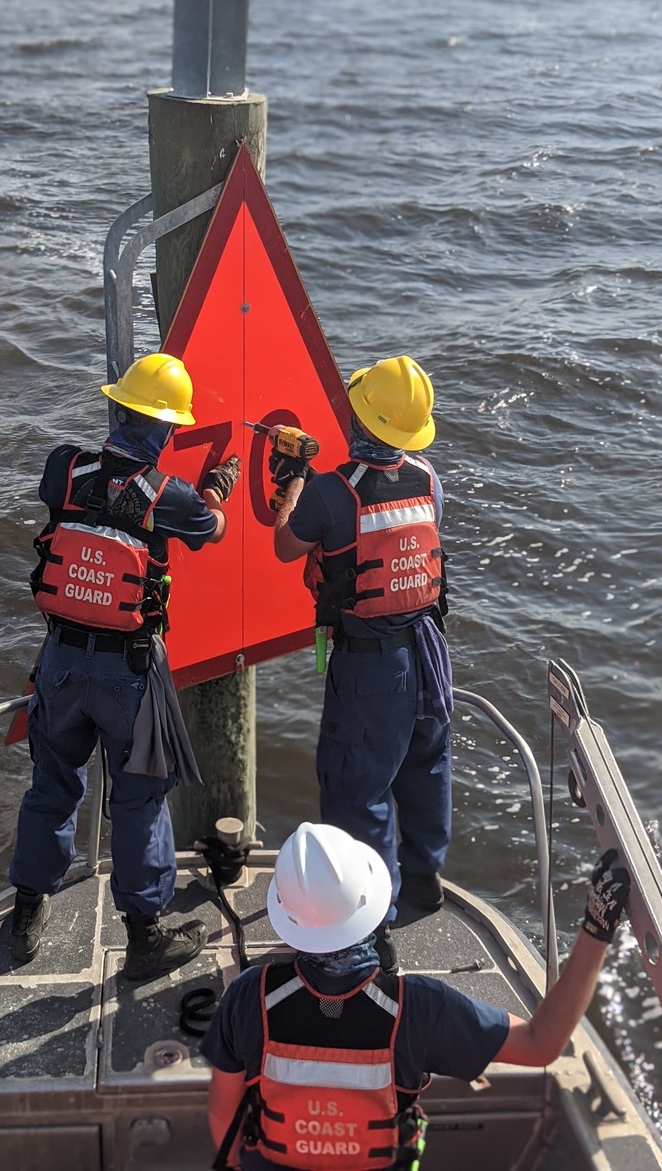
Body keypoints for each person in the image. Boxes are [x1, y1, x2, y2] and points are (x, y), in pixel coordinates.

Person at [203, 822, 631, 1171]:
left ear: (287, 916)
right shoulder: (418, 1008)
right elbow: (542, 1044)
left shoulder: (248, 998)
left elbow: (223, 1115)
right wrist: (596, 928)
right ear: (371, 906)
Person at [8, 352, 241, 982]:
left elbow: (81, 497)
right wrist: (221, 483)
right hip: (127, 675)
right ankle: (144, 937)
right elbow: (212, 528)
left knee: (52, 788)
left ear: (117, 407)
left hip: (58, 662)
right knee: (138, 801)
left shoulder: (63, 467)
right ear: (167, 431)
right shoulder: (171, 498)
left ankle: (27, 911)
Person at [271, 356, 453, 967]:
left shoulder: (330, 491)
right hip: (429, 653)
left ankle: (367, 928)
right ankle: (424, 881)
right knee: (425, 769)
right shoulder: (427, 478)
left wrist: (293, 477)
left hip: (372, 668)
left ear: (361, 418)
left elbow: (285, 543)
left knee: (356, 790)